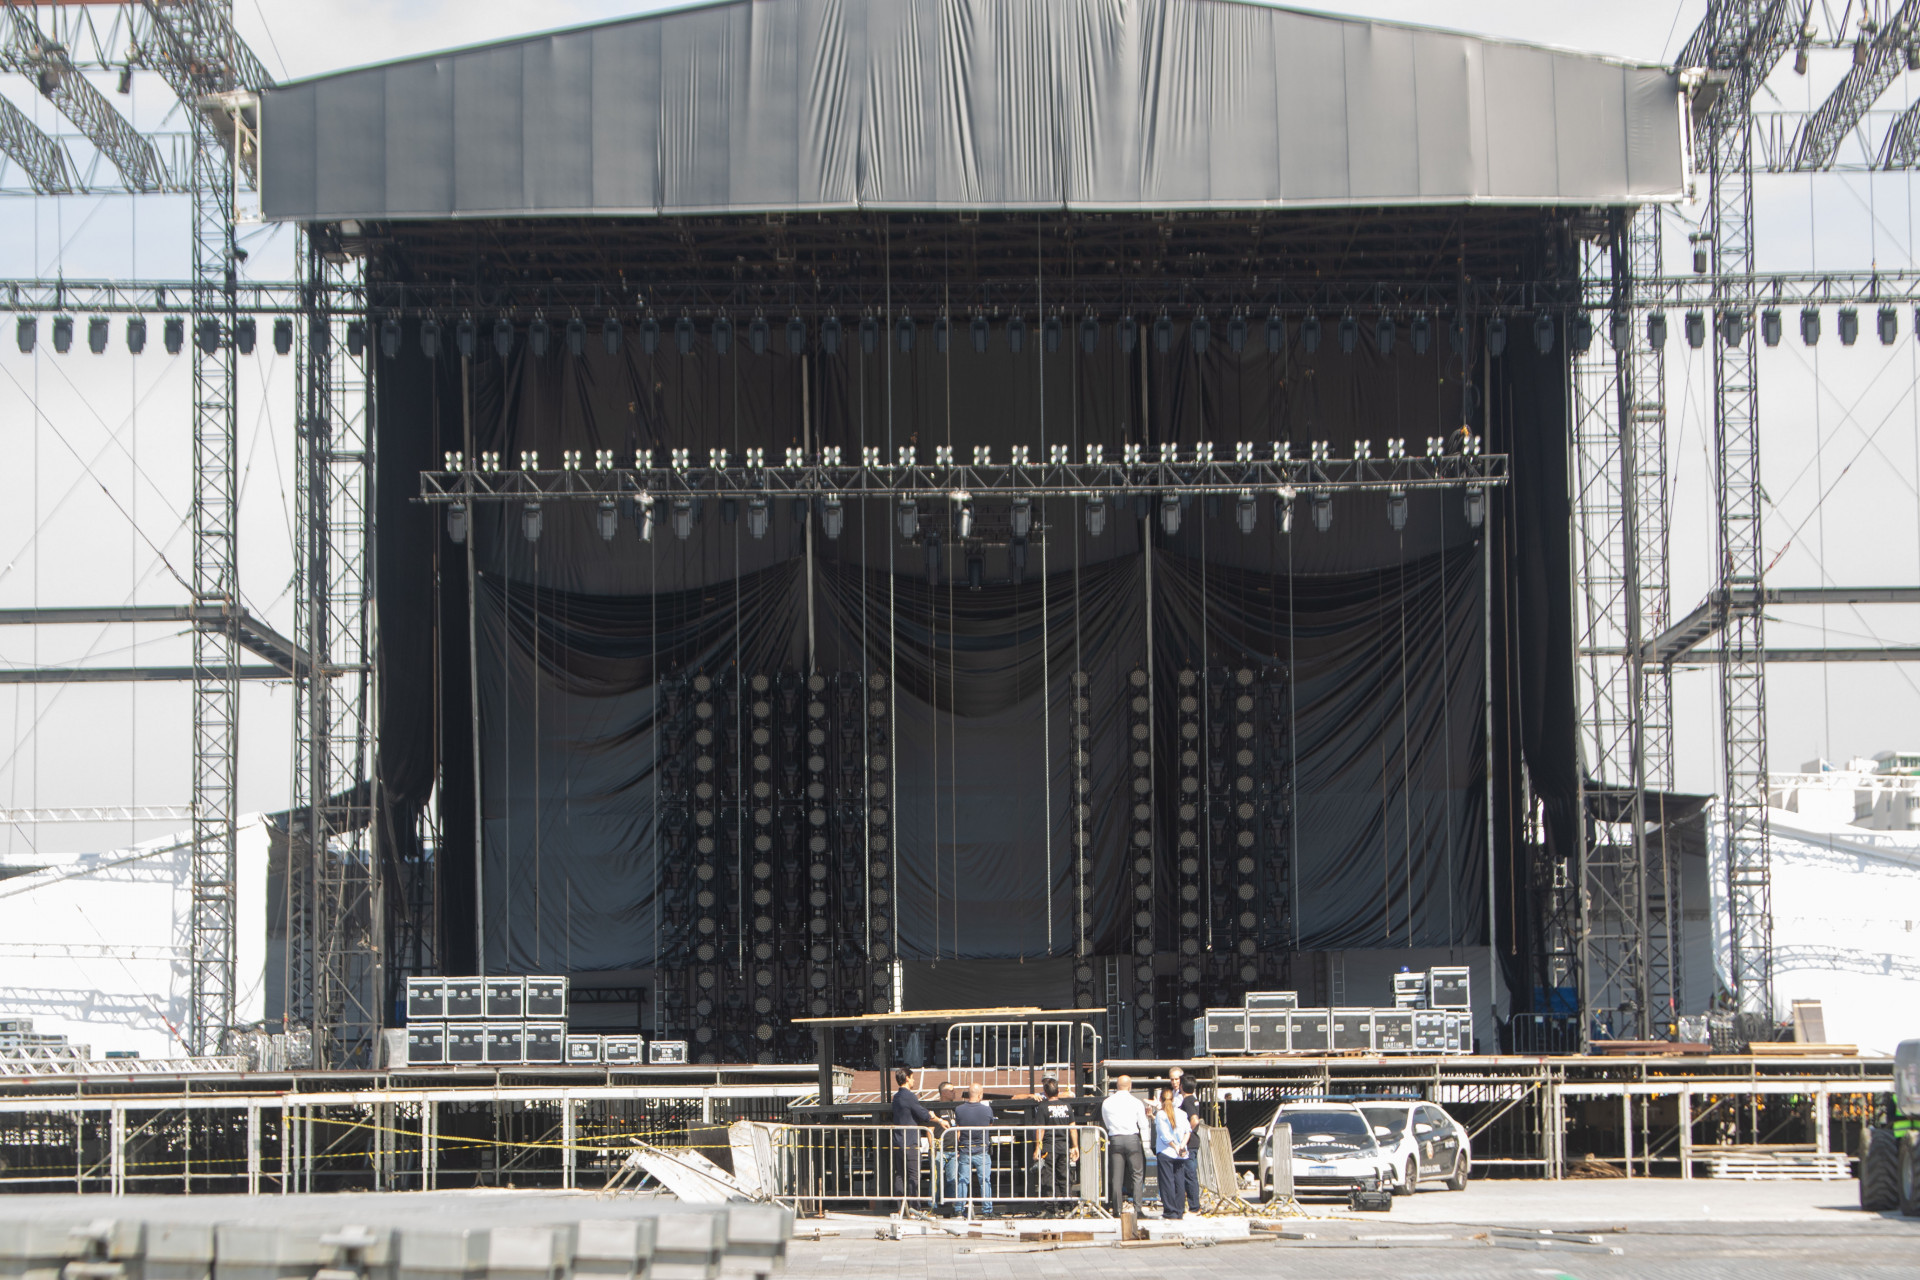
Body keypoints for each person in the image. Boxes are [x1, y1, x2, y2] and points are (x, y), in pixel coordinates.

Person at [890, 1067, 947, 1210]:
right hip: (910, 1141)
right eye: (912, 1077)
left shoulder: (896, 1097)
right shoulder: (909, 1096)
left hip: (898, 1140)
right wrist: (937, 1119)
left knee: (900, 1175)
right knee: (913, 1175)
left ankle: (901, 1207)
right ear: (907, 1078)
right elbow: (923, 1114)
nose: (914, 1080)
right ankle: (914, 1208)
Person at [1099, 1074, 1150, 1219]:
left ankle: (1117, 1210)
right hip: (1132, 1139)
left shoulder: (1107, 1102)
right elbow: (1143, 1124)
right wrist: (1146, 1145)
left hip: (1115, 1139)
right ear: (1130, 1086)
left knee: (1116, 1176)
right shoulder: (1136, 1102)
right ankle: (1138, 1209)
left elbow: (1106, 1122)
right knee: (1137, 1175)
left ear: (1117, 1086)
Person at [1028, 1074, 1078, 1200]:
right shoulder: (1067, 1106)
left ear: (1045, 1093)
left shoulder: (1043, 1107)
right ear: (1058, 1091)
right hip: (1063, 1146)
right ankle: (1067, 1204)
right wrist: (1075, 1146)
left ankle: (1050, 1206)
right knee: (1064, 1176)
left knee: (1048, 1177)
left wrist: (1037, 1148)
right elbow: (1072, 1128)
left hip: (1049, 1147)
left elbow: (1040, 1129)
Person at [951, 1083, 995, 1218]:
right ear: (980, 1095)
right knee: (985, 1181)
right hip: (981, 1149)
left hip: (965, 1149)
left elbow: (958, 1127)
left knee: (963, 1180)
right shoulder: (987, 1110)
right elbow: (990, 1125)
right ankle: (987, 1210)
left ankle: (959, 1209)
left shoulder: (959, 1109)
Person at [1151, 1086, 1195, 1220]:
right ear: (1173, 1099)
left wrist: (1174, 1146)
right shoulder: (1181, 1113)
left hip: (1166, 1151)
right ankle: (1179, 1210)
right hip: (1181, 1152)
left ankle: (1170, 1211)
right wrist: (1182, 1146)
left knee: (1167, 1181)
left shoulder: (1161, 1114)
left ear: (1160, 1099)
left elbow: (1164, 1136)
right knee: (1179, 1181)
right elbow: (1188, 1131)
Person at [1167, 1066, 1204, 1213]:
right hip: (1190, 1142)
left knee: (1189, 1174)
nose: (1175, 1083)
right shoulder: (1192, 1099)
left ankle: (1194, 1206)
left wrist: (1186, 1133)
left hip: (1189, 1143)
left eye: (1178, 1080)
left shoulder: (1187, 1100)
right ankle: (1190, 1204)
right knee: (1187, 1174)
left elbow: (1194, 1120)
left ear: (1182, 1085)